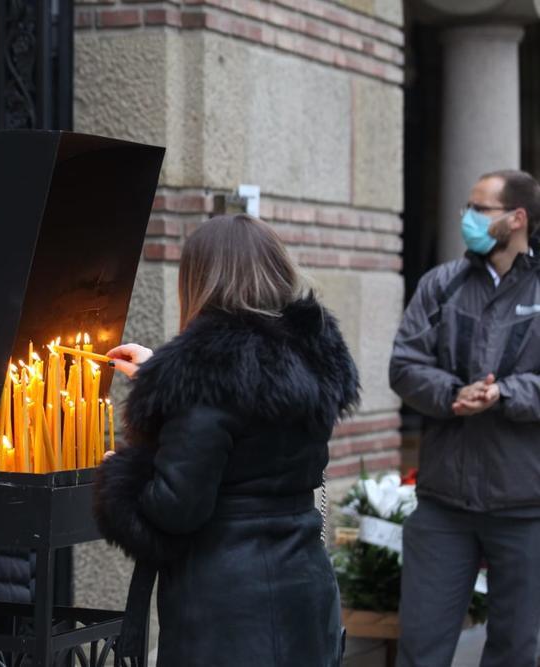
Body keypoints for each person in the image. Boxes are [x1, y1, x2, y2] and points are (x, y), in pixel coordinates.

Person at [95, 214, 358, 666]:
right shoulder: (310, 354)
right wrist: (162, 375)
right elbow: (248, 418)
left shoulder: (201, 376)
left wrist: (119, 474)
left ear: (199, 280)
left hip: (228, 607)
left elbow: (175, 508)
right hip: (306, 588)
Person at [390, 169, 540, 667]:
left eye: (480, 209)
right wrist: (454, 394)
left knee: (515, 650)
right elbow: (405, 366)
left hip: (526, 506)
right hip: (443, 505)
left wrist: (506, 394)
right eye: (467, 208)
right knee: (421, 648)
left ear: (517, 218)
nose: (467, 219)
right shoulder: (442, 284)